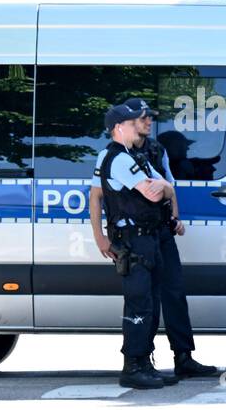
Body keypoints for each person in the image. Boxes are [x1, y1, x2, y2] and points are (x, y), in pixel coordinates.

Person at [90, 98, 217, 380]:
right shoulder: (115, 156)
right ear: (124, 125)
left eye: (148, 118)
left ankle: (178, 357)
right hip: (135, 235)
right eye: (142, 118)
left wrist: (174, 216)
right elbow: (104, 195)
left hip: (158, 231)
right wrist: (99, 236)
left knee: (172, 293)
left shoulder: (152, 151)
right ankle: (136, 363)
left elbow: (169, 188)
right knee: (141, 299)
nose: (147, 122)